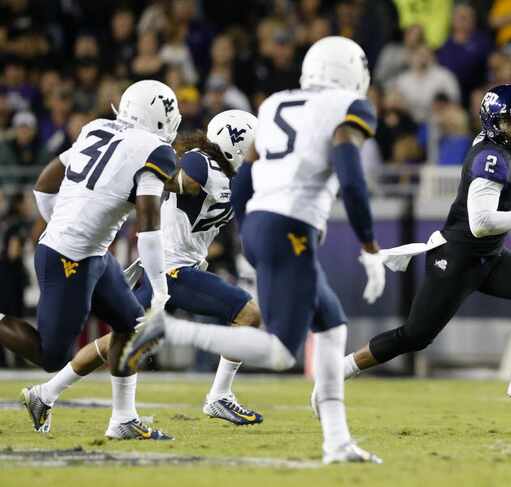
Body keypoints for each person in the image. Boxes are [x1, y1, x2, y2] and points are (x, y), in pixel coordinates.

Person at [126, 36, 386, 464]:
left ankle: (337, 442)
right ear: (353, 72)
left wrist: (253, 229)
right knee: (282, 350)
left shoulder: (275, 103)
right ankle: (168, 330)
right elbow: (351, 176)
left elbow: (245, 181)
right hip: (289, 225)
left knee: (332, 323)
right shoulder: (349, 106)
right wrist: (370, 244)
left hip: (267, 223)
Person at [20, 110, 267, 433]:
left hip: (177, 266)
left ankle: (45, 393)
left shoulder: (232, 176)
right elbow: (182, 178)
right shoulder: (200, 163)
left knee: (124, 338)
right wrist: (163, 179)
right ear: (237, 144)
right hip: (171, 269)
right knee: (248, 314)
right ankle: (219, 395)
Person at [335, 85, 511, 408]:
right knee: (415, 336)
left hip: (489, 256)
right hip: (457, 258)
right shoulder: (491, 157)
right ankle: (339, 370)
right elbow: (481, 223)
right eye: (508, 122)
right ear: (491, 123)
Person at [0, 79, 182, 440]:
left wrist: (63, 221)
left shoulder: (97, 128)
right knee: (51, 354)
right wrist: (160, 289)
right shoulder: (154, 151)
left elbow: (44, 182)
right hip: (70, 257)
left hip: (87, 252)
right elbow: (148, 228)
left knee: (130, 327)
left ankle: (123, 419)